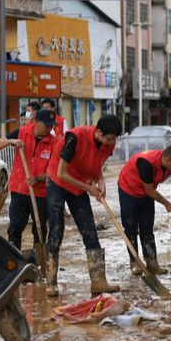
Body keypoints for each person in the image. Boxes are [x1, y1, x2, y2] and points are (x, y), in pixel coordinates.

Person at [45, 115, 123, 297]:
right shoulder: (75, 137)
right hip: (58, 181)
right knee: (56, 231)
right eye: (109, 138)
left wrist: (100, 181)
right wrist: (89, 188)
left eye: (114, 139)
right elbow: (61, 173)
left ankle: (98, 281)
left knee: (90, 231)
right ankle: (51, 282)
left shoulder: (108, 144)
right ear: (98, 132)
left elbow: (98, 166)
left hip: (78, 186)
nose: (111, 143)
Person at [117, 145, 171, 276]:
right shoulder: (145, 163)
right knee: (131, 229)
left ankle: (152, 263)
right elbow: (150, 190)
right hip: (128, 191)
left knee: (147, 228)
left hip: (146, 194)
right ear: (168, 161)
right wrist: (167, 204)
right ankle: (135, 264)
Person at [0, 109, 55, 264]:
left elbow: (55, 170)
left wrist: (40, 178)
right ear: (37, 122)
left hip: (40, 194)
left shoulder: (54, 142)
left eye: (51, 126)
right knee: (15, 227)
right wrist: (10, 142)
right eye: (46, 125)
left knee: (40, 230)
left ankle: (39, 265)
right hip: (19, 190)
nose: (49, 129)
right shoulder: (22, 133)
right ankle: (14, 263)